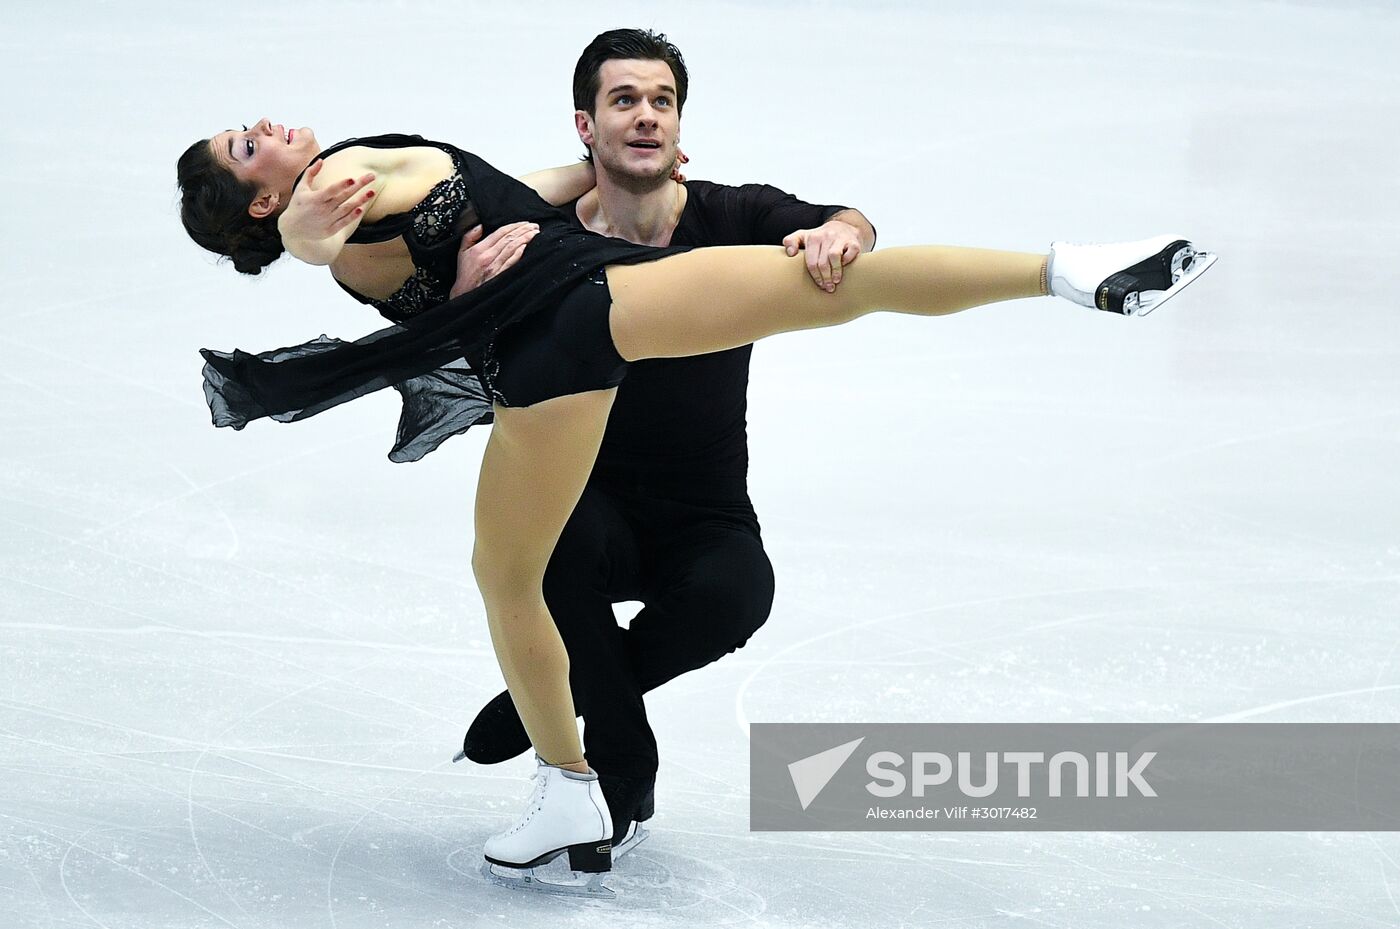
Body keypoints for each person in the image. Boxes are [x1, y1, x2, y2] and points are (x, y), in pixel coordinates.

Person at [177, 91, 1215, 890]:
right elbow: (335, 226)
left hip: (540, 366)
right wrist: (312, 227)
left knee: (509, 578)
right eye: (242, 145)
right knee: (842, 287)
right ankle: (1065, 269)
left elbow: (465, 206)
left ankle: (565, 784)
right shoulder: (343, 176)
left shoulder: (345, 243)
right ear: (264, 199)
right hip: (593, 307)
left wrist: (370, 245)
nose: (259, 125)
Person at [448, 29, 877, 858]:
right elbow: (463, 333)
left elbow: (844, 218)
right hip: (587, 501)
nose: (646, 117)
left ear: (680, 125)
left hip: (702, 509)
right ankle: (621, 759)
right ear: (586, 126)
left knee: (739, 594)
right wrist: (468, 292)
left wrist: (844, 231)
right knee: (550, 552)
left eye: (662, 102)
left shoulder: (733, 216)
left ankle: (559, 698)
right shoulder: (538, 239)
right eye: (624, 101)